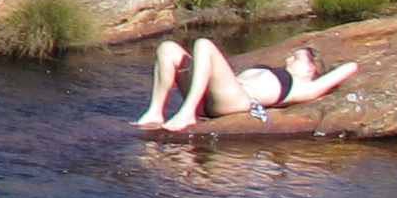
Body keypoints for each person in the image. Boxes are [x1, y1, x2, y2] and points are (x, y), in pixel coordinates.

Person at [137, 37, 357, 129]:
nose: (288, 59)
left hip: (235, 101)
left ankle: (187, 113)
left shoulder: (304, 87)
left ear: (311, 69)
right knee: (168, 48)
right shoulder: (278, 72)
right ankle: (156, 111)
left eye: (296, 57)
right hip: (212, 95)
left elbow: (351, 66)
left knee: (204, 44)